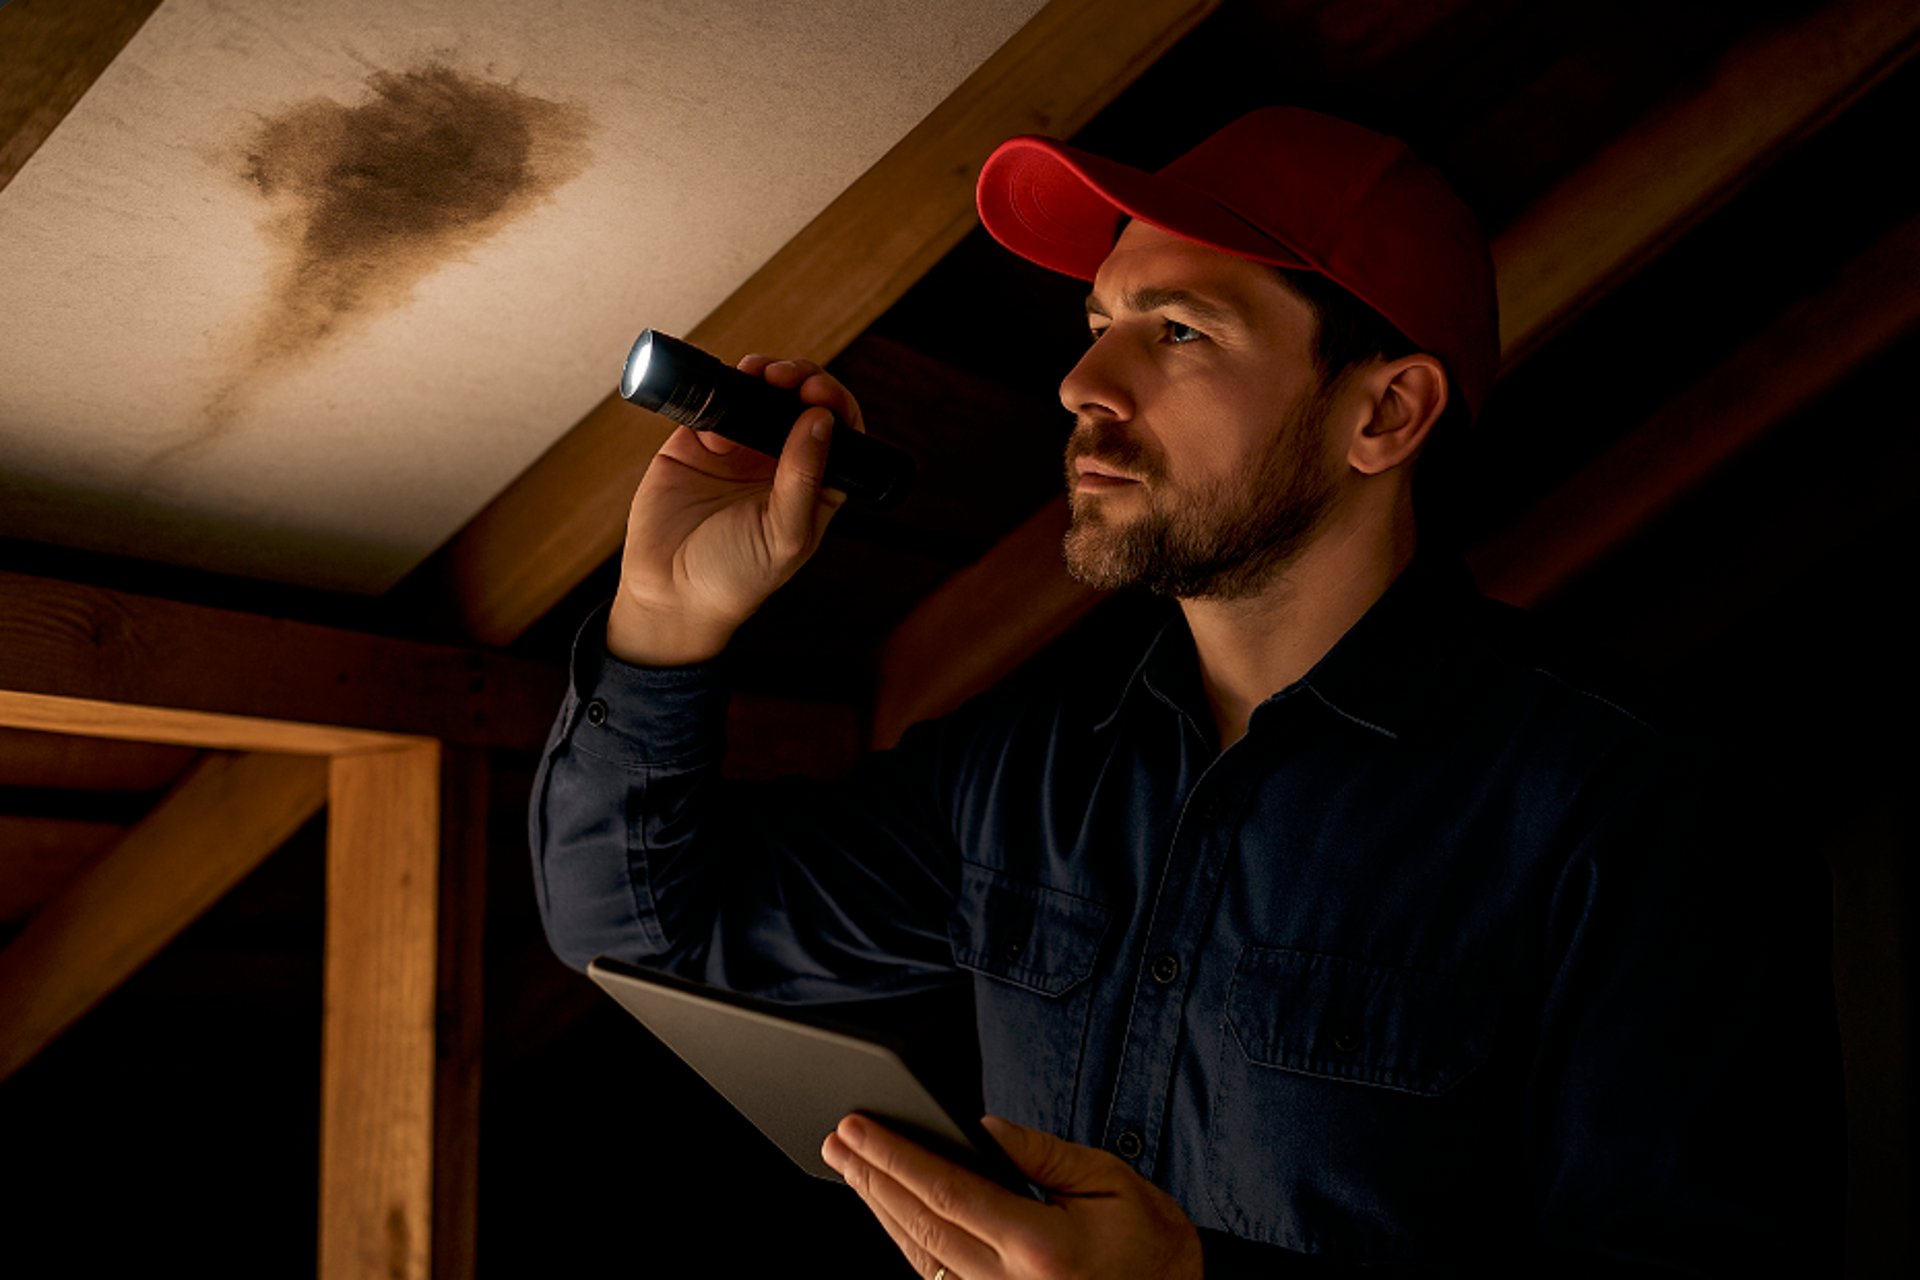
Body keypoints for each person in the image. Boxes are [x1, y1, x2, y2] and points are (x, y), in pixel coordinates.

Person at [530, 107, 1841, 1275]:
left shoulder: (1640, 811)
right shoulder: (1026, 766)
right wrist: (668, 614)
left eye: (1178, 330)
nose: (1082, 384)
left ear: (1383, 415)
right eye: (1099, 326)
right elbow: (638, 935)